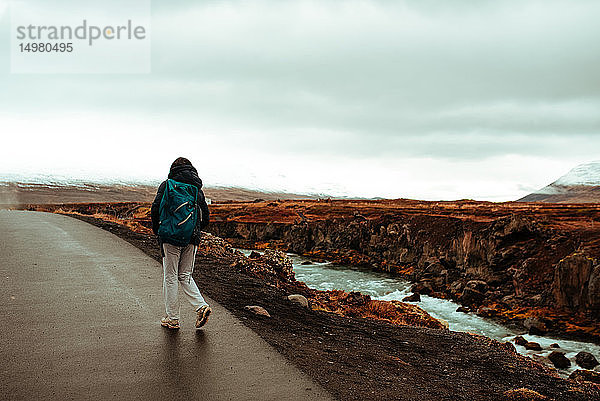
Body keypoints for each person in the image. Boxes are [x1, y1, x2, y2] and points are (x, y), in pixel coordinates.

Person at [151, 157, 211, 330]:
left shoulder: (167, 185)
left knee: (170, 276)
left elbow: (155, 209)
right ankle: (201, 306)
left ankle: (173, 318)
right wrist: (194, 230)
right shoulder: (197, 190)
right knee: (185, 275)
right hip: (192, 237)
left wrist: (159, 230)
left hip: (170, 237)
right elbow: (205, 216)